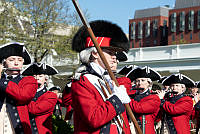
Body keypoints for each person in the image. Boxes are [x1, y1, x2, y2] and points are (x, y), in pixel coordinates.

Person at [71, 20, 131, 134]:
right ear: (95, 53)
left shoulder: (108, 80)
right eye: (110, 52)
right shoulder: (82, 82)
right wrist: (117, 100)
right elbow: (94, 118)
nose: (114, 57)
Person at [0, 42, 38, 134]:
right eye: (12, 60)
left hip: (17, 128)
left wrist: (2, 81)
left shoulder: (29, 80)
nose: (16, 63)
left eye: (20, 60)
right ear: (3, 63)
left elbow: (23, 96)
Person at [22, 62, 58, 134]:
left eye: (40, 76)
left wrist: (24, 99)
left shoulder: (51, 96)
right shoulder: (24, 93)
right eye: (34, 76)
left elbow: (34, 109)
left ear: (46, 79)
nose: (37, 78)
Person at [126, 66, 161, 134]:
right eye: (137, 81)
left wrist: (126, 98)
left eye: (143, 80)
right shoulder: (132, 96)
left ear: (149, 83)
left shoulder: (154, 98)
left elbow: (139, 108)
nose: (140, 83)